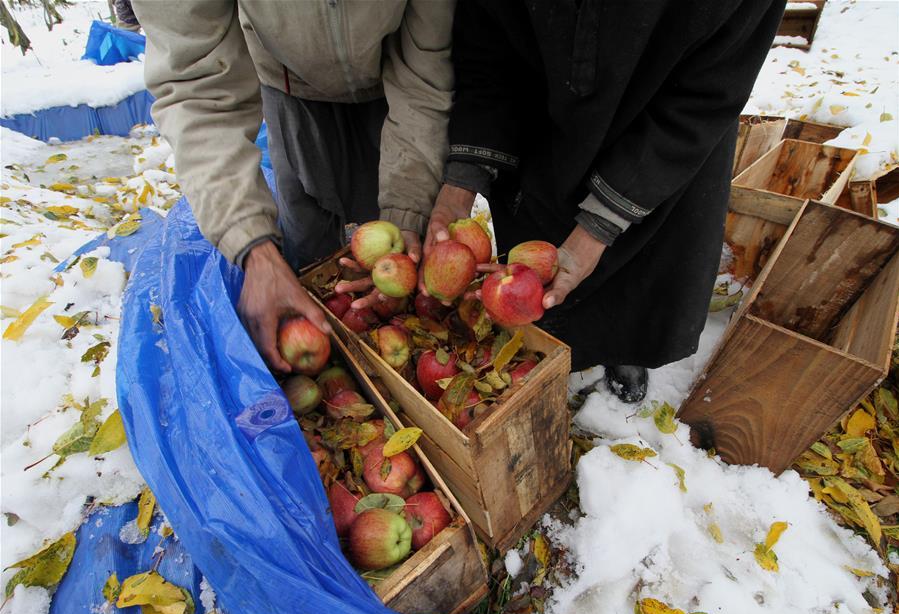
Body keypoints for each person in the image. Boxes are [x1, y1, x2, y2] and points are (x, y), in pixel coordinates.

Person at [425, 0, 786, 403]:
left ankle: (627, 348)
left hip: (669, 125)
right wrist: (463, 179)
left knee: (649, 263)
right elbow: (485, 49)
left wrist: (599, 224)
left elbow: (711, 87)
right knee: (543, 259)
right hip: (544, 110)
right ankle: (559, 345)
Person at [131, 0, 455, 372]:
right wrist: (253, 246)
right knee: (306, 247)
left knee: (405, 258)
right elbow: (194, 84)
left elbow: (425, 73)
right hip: (287, 83)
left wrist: (408, 207)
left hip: (393, 83)